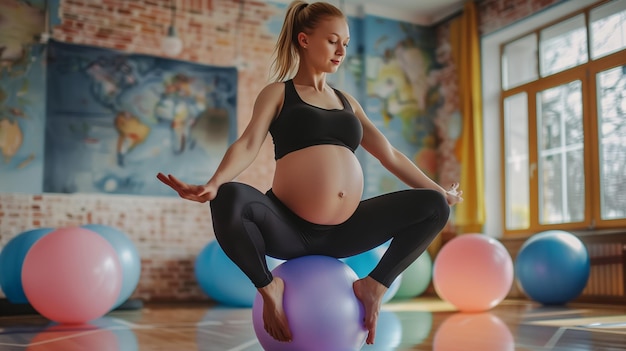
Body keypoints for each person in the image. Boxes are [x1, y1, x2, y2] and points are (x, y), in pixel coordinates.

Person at [157, 0, 463, 345]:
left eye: (345, 44)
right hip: (290, 229)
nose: (340, 50)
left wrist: (440, 190)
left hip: (345, 232)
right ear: (304, 40)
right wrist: (213, 183)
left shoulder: (348, 102)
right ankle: (267, 285)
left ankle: (374, 284)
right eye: (333, 40)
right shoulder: (278, 93)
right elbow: (247, 144)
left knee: (434, 206)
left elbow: (389, 155)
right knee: (228, 196)